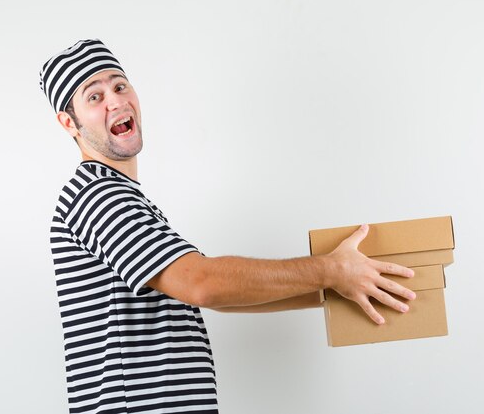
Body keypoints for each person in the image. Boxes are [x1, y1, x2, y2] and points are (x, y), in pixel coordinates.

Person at [40, 38, 416, 414]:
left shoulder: (125, 199)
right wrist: (331, 271)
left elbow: (222, 295)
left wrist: (337, 286)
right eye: (94, 96)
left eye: (120, 85)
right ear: (68, 122)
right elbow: (203, 284)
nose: (116, 100)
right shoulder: (96, 196)